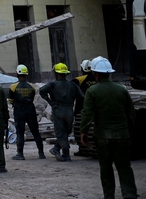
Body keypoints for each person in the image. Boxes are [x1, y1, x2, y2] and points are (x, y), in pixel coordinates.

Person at [80, 56, 137, 199]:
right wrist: (130, 131)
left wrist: (83, 133)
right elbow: (131, 113)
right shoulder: (122, 90)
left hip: (103, 137)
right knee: (124, 166)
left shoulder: (92, 91)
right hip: (122, 135)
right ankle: (129, 194)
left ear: (95, 74)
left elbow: (87, 114)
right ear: (109, 73)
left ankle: (109, 195)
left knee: (106, 168)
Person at [39, 62, 83, 161]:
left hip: (58, 109)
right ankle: (57, 148)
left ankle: (65, 154)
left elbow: (42, 91)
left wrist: (50, 102)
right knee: (66, 131)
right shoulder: (72, 85)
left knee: (60, 132)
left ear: (56, 73)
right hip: (69, 110)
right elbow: (81, 96)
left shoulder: (52, 84)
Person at [8, 64, 45, 160]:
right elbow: (32, 98)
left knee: (20, 132)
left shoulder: (13, 86)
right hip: (30, 110)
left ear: (17, 73)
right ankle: (41, 153)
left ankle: (20, 154)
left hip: (19, 111)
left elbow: (11, 99)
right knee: (35, 132)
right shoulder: (32, 86)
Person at [71, 59, 97, 157]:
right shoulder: (96, 78)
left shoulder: (80, 79)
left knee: (80, 129)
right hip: (96, 107)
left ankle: (82, 148)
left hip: (81, 108)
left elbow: (70, 86)